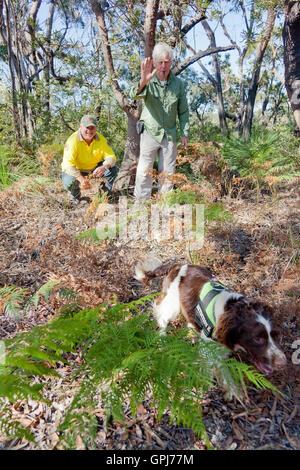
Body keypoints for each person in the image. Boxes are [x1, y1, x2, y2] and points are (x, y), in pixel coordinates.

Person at [129, 42, 190, 202]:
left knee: (168, 173)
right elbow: (134, 96)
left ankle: (165, 207)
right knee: (144, 171)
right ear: (155, 63)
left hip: (169, 134)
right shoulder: (148, 80)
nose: (164, 66)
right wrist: (143, 81)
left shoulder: (178, 84)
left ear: (171, 62)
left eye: (167, 62)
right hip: (149, 132)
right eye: (160, 62)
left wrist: (185, 132)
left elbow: (183, 111)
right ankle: (140, 207)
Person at [61, 114, 118, 204]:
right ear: (81, 126)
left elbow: (111, 157)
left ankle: (103, 195)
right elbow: (68, 165)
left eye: (92, 128)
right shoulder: (73, 140)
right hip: (77, 170)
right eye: (87, 127)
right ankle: (75, 197)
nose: (89, 131)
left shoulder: (101, 139)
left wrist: (104, 167)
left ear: (96, 128)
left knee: (112, 169)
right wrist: (82, 179)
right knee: (68, 180)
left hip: (94, 169)